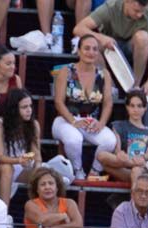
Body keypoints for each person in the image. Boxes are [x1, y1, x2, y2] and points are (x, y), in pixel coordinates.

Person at [52, 34, 119, 182]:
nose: (91, 52)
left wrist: (101, 123)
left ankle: (94, 172)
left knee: (109, 140)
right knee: (74, 139)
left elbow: (108, 102)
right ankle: (78, 171)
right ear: (79, 51)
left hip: (90, 120)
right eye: (87, 48)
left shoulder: (103, 74)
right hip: (65, 119)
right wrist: (73, 121)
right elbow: (58, 102)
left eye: (95, 49)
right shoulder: (66, 70)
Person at [75, 0, 148, 95]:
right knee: (93, 43)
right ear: (127, 1)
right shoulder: (111, 7)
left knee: (143, 37)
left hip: (131, 47)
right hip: (109, 47)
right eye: (136, 11)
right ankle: (109, 85)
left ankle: (135, 86)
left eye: (142, 11)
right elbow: (78, 29)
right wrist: (101, 37)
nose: (139, 15)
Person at [96, 88, 148, 184]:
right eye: (132, 106)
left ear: (145, 108)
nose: (136, 110)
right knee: (101, 155)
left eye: (139, 106)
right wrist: (121, 154)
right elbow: (117, 149)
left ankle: (134, 198)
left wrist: (142, 159)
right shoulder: (118, 125)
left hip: (141, 169)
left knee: (136, 170)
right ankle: (131, 164)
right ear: (127, 107)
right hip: (123, 167)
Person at [0, 90, 41, 203]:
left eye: (30, 106)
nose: (29, 110)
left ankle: (38, 215)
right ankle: (3, 215)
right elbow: (0, 157)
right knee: (8, 168)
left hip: (22, 165)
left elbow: (37, 155)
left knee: (45, 175)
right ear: (14, 109)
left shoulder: (34, 124)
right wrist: (19, 160)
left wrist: (37, 169)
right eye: (24, 107)